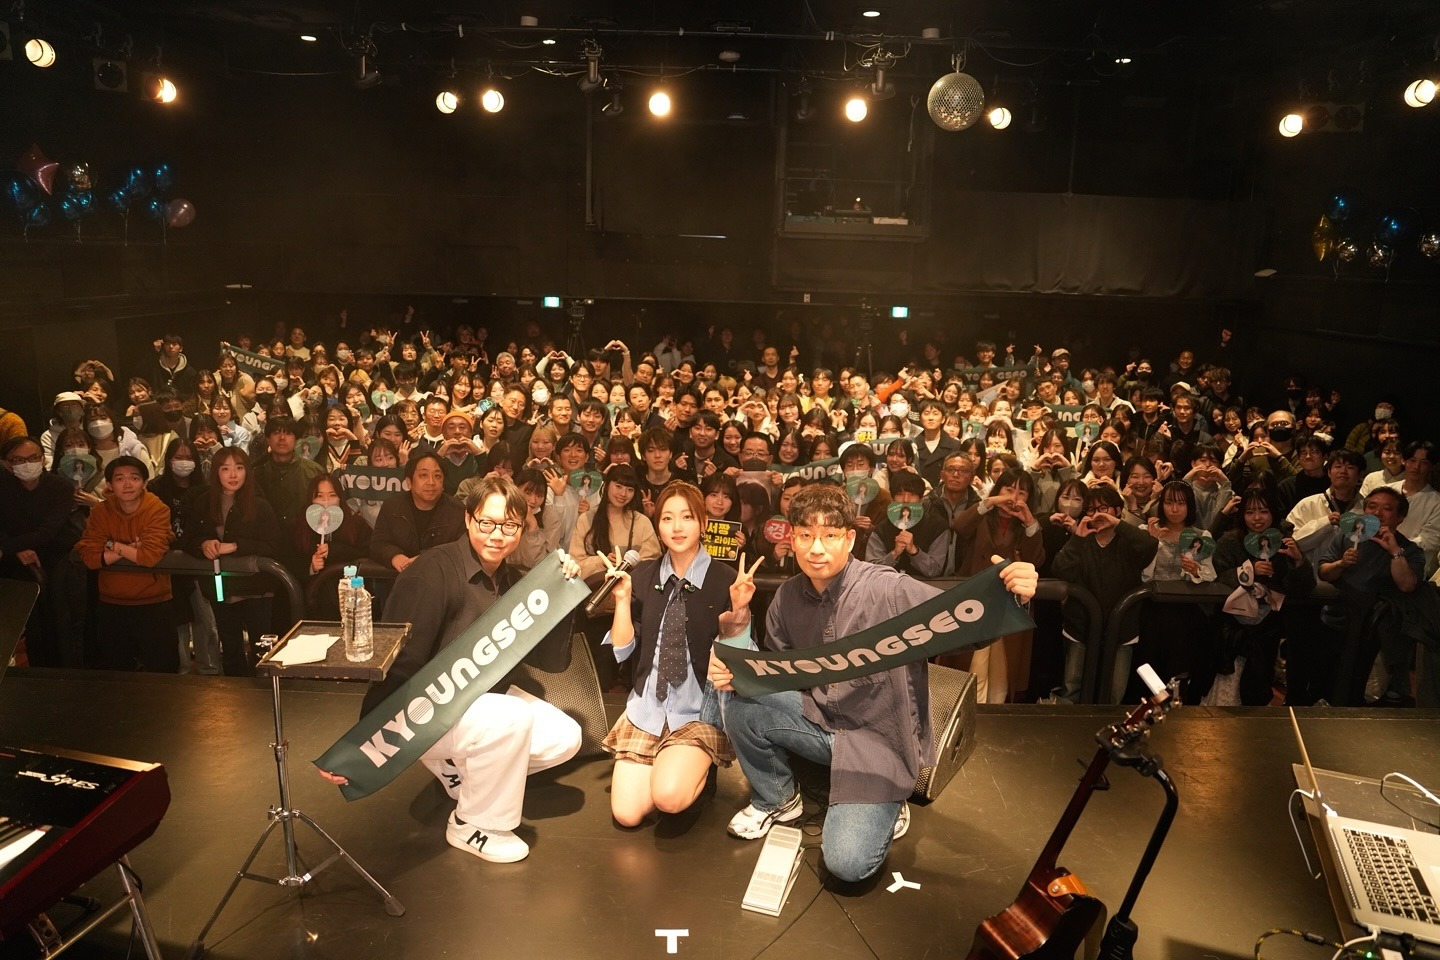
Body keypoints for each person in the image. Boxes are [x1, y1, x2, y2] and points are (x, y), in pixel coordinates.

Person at [708, 484, 1038, 883]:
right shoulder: (786, 597)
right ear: (792, 539)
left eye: (830, 535)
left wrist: (1012, 595)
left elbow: (964, 627)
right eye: (806, 535)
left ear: (850, 539)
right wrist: (737, 659)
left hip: (879, 742)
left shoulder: (888, 588)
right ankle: (777, 798)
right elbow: (779, 674)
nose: (816, 549)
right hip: (821, 722)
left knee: (847, 864)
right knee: (743, 701)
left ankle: (892, 799)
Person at [320, 477, 584, 864]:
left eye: (510, 525)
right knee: (512, 716)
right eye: (487, 522)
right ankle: (474, 823)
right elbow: (398, 661)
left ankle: (460, 772)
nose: (498, 534)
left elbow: (553, 663)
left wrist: (564, 592)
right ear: (468, 518)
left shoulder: (513, 580)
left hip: (481, 708)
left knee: (564, 737)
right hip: (427, 715)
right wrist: (363, 743)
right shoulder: (431, 571)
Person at [601, 481, 746, 827]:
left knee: (668, 798)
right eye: (667, 518)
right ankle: (671, 765)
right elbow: (622, 650)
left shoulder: (726, 579)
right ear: (658, 525)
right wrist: (621, 600)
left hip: (696, 712)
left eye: (687, 517)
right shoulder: (642, 574)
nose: (677, 527)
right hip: (648, 707)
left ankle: (695, 772)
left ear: (703, 523)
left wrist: (741, 610)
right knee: (626, 815)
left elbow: (740, 662)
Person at [180, 446, 281, 677]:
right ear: (216, 472)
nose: (233, 474)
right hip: (220, 588)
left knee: (261, 650)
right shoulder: (203, 502)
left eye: (239, 468)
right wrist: (203, 544)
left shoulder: (260, 504)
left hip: (257, 588)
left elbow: (274, 545)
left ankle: (264, 693)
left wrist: (236, 546)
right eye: (225, 468)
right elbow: (187, 539)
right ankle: (236, 694)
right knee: (230, 647)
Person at [1317, 488, 1423, 706]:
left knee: (1365, 693)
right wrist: (1341, 564)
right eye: (1372, 507)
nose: (1377, 513)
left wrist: (1394, 551)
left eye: (1387, 509)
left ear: (1400, 517)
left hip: (1377, 635)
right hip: (1337, 622)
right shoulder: (1348, 537)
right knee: (1328, 683)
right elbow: (1324, 572)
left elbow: (1407, 585)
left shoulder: (1408, 549)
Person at [77, 457, 176, 672]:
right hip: (111, 603)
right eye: (120, 479)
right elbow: (91, 558)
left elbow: (149, 556)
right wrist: (127, 547)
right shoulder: (100, 512)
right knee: (116, 674)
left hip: (154, 602)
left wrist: (110, 546)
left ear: (145, 482)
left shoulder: (157, 509)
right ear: (110, 485)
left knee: (163, 674)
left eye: (134, 478)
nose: (127, 484)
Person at [0, 436, 84, 667]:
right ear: (7, 464)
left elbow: (47, 532)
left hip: (57, 558)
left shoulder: (60, 487)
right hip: (16, 563)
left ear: (43, 458)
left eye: (33, 457)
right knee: (31, 625)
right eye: (18, 460)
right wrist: (16, 550)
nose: (27, 464)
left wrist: (7, 548)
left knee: (61, 623)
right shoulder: (3, 486)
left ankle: (68, 672)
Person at [149, 438, 221, 675]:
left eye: (189, 457)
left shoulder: (205, 489)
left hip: (199, 562)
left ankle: (210, 670)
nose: (184, 462)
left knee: (206, 620)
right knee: (176, 623)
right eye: (178, 457)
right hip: (166, 563)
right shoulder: (155, 489)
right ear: (169, 460)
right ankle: (181, 673)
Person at [370, 451, 467, 573]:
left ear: (443, 483)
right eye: (423, 475)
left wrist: (426, 559)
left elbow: (462, 550)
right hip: (397, 576)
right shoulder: (392, 507)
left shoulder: (457, 511)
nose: (431, 482)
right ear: (409, 482)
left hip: (441, 577)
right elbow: (377, 544)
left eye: (437, 476)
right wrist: (395, 556)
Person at [252, 416, 327, 531]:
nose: (282, 438)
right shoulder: (256, 472)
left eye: (288, 433)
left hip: (304, 535)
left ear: (296, 440)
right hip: (266, 536)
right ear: (267, 439)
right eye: (276, 433)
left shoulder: (315, 472)